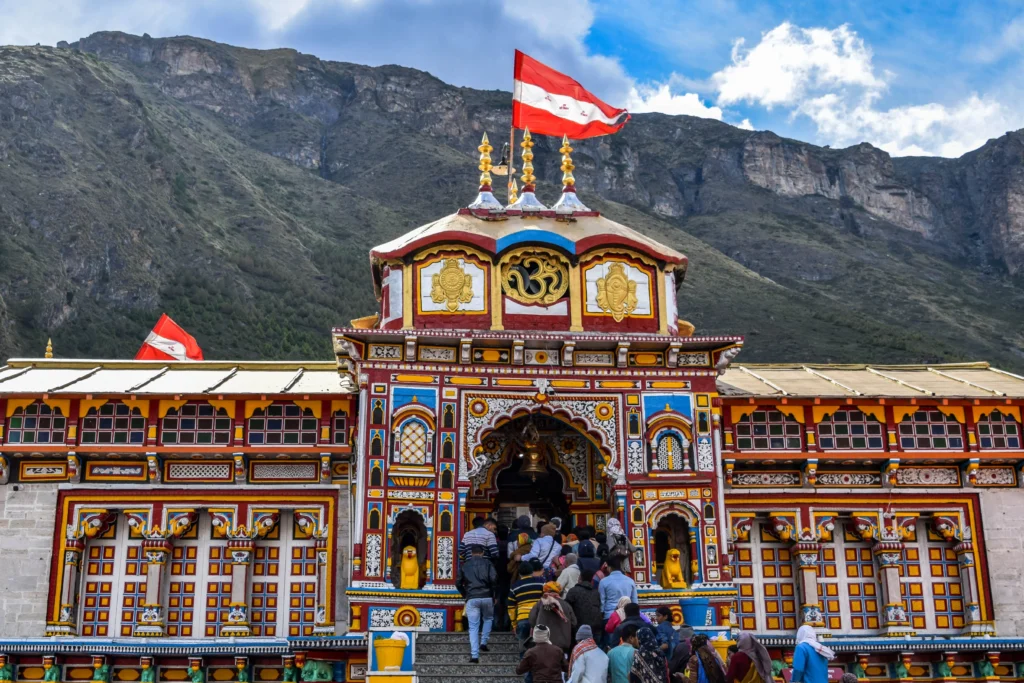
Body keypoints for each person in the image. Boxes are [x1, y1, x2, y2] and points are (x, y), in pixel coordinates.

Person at [456, 544, 496, 663]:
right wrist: (494, 594)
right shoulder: (488, 564)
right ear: (483, 553)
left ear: (472, 553)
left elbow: (458, 583)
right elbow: (494, 579)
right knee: (488, 618)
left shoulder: (465, 565)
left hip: (472, 598)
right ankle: (483, 642)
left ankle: (474, 656)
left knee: (473, 627)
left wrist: (465, 594)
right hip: (487, 596)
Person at [528, 581, 578, 652]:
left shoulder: (540, 603)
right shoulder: (566, 605)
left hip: (544, 643)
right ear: (559, 591)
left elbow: (532, 621)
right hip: (562, 644)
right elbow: (574, 623)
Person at [509, 560, 546, 651]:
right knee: (540, 647)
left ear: (520, 573)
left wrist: (514, 624)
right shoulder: (542, 582)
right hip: (539, 617)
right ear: (531, 571)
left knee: (523, 647)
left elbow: (511, 607)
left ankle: (524, 662)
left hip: (522, 619)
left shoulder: (515, 586)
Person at [566, 569, 603, 638]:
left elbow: (566, 608)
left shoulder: (573, 591)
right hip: (595, 628)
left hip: (578, 627)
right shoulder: (596, 593)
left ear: (580, 578)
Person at [600, 557, 639, 621]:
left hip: (609, 615)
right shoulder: (630, 581)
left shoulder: (603, 581)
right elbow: (635, 602)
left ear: (609, 568)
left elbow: (602, 602)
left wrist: (601, 614)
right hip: (627, 616)